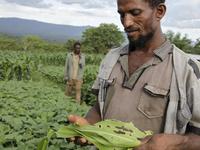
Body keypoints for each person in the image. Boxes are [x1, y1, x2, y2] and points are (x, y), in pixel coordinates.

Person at [68, 0, 200, 149]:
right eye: (122, 14)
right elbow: (100, 106)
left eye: (135, 13)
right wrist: (89, 126)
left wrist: (179, 144)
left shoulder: (188, 70)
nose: (126, 23)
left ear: (159, 12)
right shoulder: (112, 58)